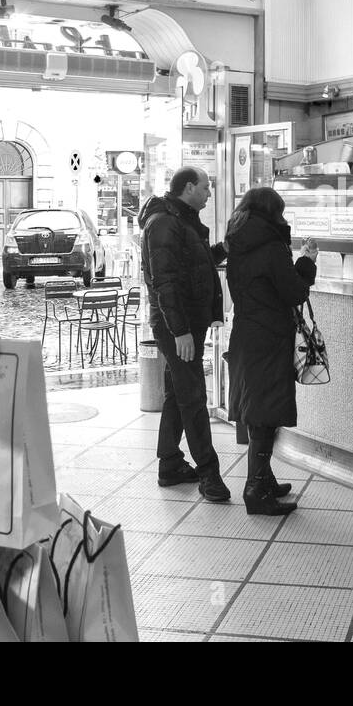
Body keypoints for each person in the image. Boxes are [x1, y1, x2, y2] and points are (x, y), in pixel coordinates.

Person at [223, 187, 319, 516]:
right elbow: (293, 292)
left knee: (258, 411)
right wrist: (307, 261)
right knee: (264, 415)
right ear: (273, 213)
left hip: (247, 334)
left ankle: (264, 480)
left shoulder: (237, 240)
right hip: (268, 338)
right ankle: (256, 491)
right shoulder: (271, 246)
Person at [139, 167, 230, 502]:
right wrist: (180, 332)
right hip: (176, 326)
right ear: (189, 187)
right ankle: (210, 474)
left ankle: (170, 464)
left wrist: (224, 249)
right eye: (206, 187)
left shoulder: (181, 218)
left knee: (177, 392)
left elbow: (195, 264)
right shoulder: (163, 223)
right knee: (193, 396)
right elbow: (165, 282)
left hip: (187, 322)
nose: (209, 193)